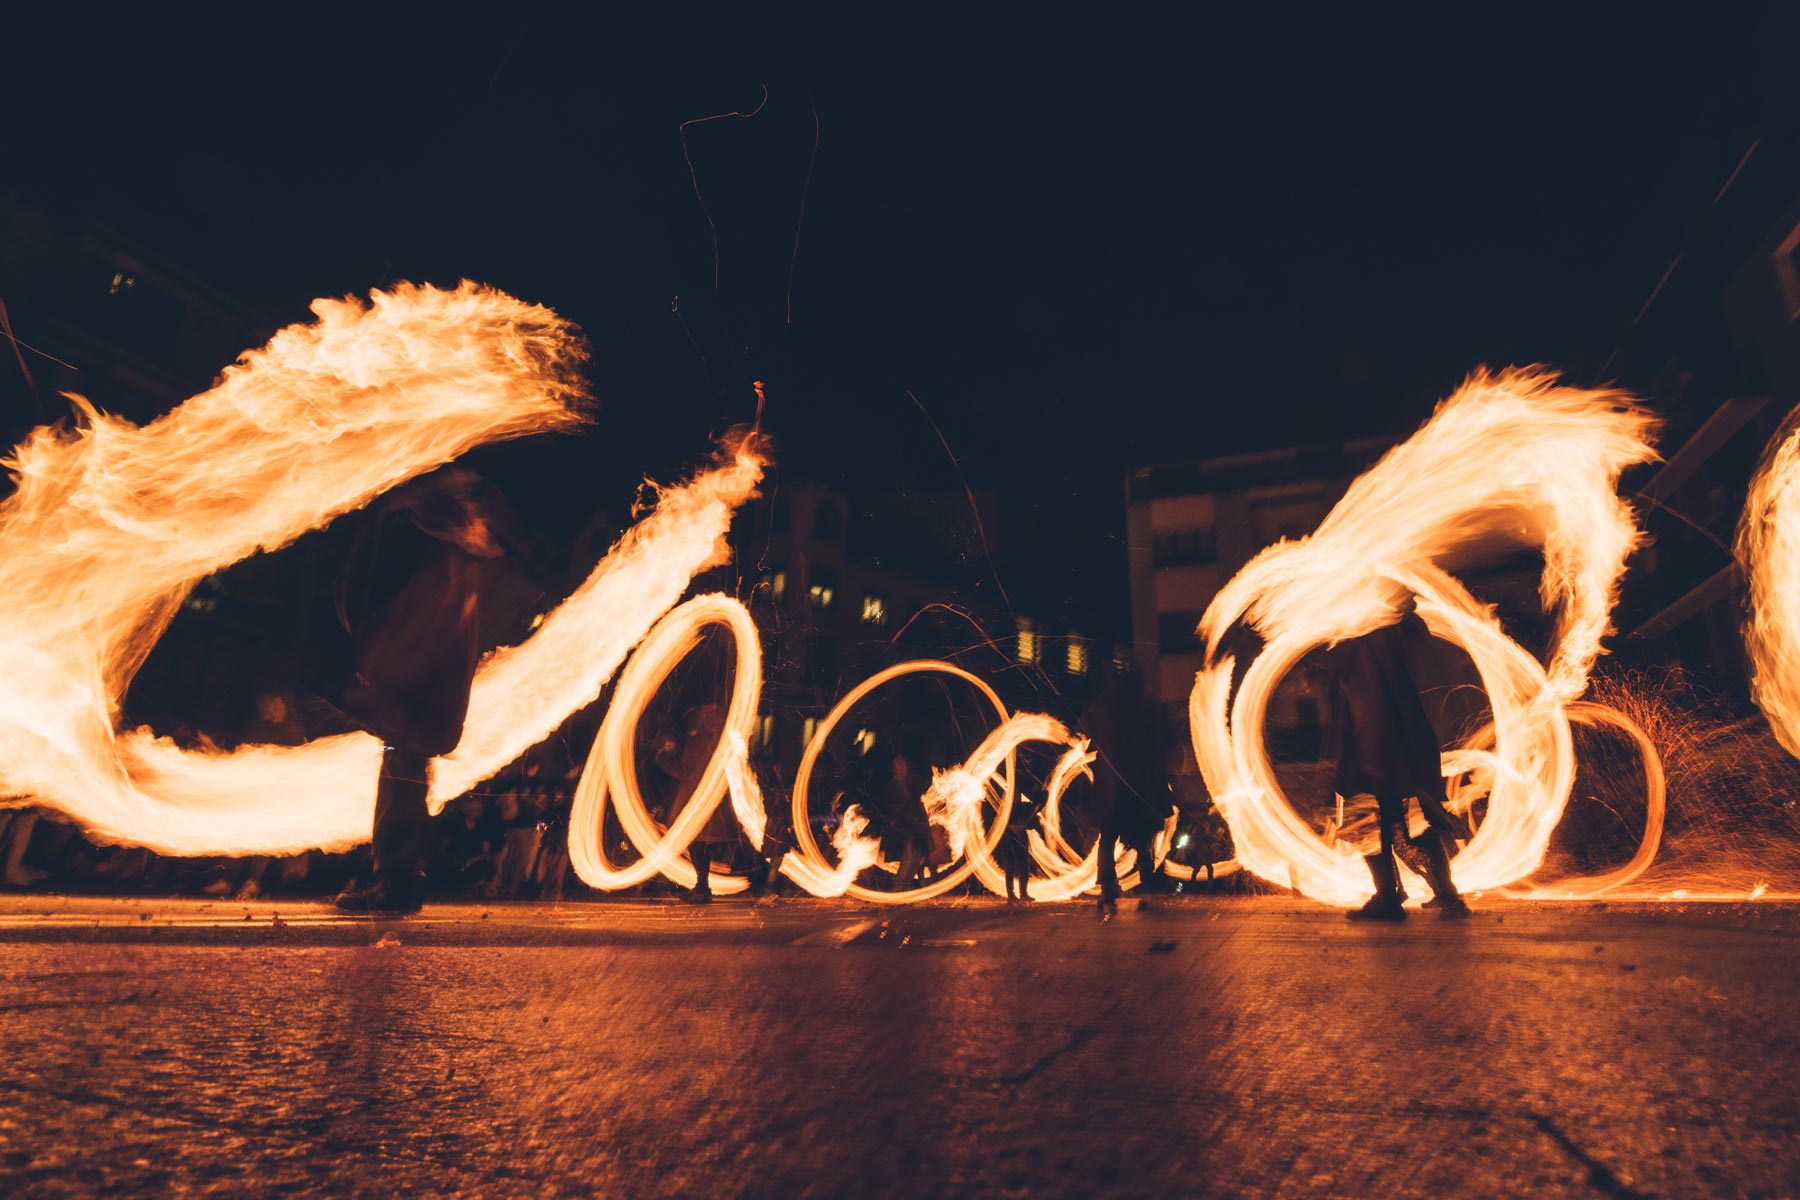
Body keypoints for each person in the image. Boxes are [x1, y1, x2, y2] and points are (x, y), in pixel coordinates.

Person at [333, 470, 504, 914]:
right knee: (404, 770)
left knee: (402, 771)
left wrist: (372, 663)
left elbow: (419, 625)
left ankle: (395, 878)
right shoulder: (457, 555)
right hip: (425, 692)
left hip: (417, 691)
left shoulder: (440, 558)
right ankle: (397, 874)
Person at [1319, 596, 1472, 921]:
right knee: (1404, 821)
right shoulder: (1393, 632)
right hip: (1395, 742)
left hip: (1380, 744)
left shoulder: (1374, 637)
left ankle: (1394, 896)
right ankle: (1438, 894)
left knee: (1374, 821)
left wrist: (1372, 756)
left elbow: (1370, 693)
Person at [1083, 670, 1175, 918]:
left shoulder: (1120, 712)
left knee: (1117, 840)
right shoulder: (1140, 711)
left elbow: (1089, 724)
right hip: (1131, 793)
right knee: (1134, 840)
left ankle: (1116, 884)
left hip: (1126, 793)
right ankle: (1139, 881)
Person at [655, 701, 733, 905]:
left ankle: (702, 887)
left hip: (696, 800)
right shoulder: (719, 742)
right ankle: (702, 886)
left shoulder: (698, 742)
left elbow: (684, 772)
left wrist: (663, 758)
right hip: (710, 800)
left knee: (697, 843)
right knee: (702, 843)